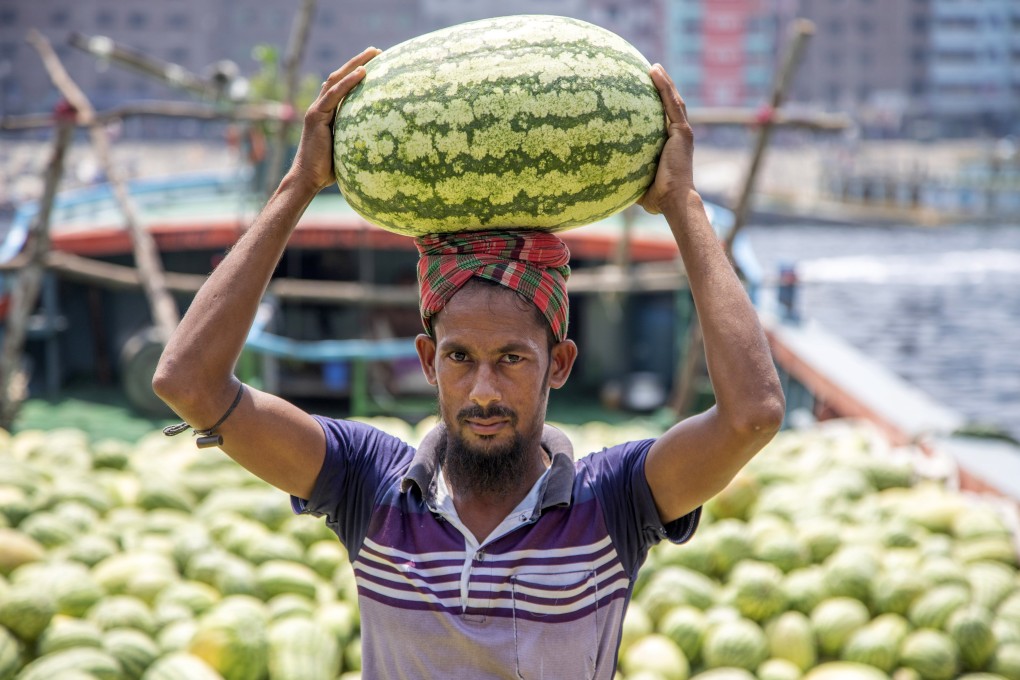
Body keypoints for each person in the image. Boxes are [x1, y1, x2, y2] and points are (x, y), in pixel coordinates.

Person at [153, 46, 785, 680]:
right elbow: (188, 383)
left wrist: (684, 205)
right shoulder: (369, 486)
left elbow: (752, 416)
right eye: (460, 357)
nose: (484, 390)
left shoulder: (615, 501)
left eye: (512, 358)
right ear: (428, 360)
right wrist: (299, 186)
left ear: (559, 363)